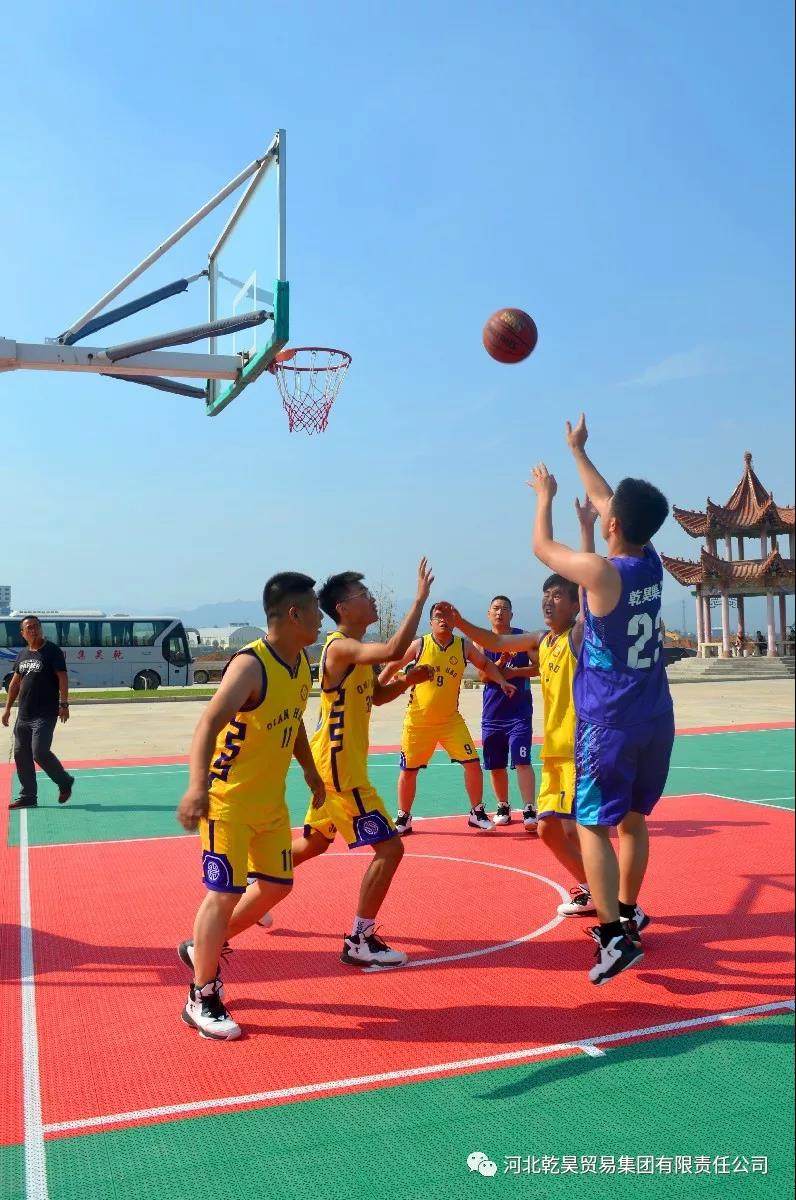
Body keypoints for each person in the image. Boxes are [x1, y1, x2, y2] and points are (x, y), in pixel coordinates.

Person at [529, 414, 674, 985]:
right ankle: (629, 910)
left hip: (609, 720)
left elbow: (543, 547)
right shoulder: (651, 562)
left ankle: (613, 934)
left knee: (591, 823)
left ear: (612, 523)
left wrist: (544, 496)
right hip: (654, 714)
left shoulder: (600, 573)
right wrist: (578, 451)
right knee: (633, 821)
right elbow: (607, 499)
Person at [175, 572, 325, 1040]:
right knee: (224, 894)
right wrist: (196, 787)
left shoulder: (301, 664)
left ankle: (203, 946)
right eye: (315, 609)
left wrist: (309, 770)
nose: (321, 617)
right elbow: (208, 723)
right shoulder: (250, 665)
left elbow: (293, 721)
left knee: (278, 885)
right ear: (294, 613)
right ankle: (201, 994)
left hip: (270, 803)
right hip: (229, 802)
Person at [437, 497, 600, 919]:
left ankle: (615, 903)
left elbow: (590, 588)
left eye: (557, 597)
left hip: (581, 750)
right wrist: (460, 623)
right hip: (556, 751)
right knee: (552, 829)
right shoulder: (542, 641)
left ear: (574, 605)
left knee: (575, 829)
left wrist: (586, 530)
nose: (548, 602)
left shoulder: (579, 636)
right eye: (544, 596)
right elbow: (494, 642)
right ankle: (594, 890)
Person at [291, 559, 435, 967]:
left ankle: (254, 872)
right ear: (343, 608)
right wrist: (419, 601)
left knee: (315, 843)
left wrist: (406, 680)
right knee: (390, 849)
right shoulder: (340, 647)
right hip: (341, 771)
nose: (372, 599)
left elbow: (376, 695)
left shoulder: (358, 652)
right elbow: (393, 650)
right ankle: (360, 938)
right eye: (364, 595)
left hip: (332, 763)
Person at [381, 603, 516, 835]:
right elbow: (395, 663)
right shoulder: (420, 644)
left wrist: (502, 681)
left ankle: (477, 813)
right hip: (419, 720)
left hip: (450, 720)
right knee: (409, 770)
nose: (443, 620)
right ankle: (404, 817)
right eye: (438, 617)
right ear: (431, 622)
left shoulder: (463, 646)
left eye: (447, 617)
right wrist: (378, 684)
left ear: (454, 621)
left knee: (473, 764)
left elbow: (485, 664)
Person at [475, 595, 538, 831]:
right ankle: (503, 806)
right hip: (493, 714)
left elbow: (539, 668)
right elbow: (483, 676)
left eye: (504, 609)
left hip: (519, 712)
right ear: (488, 614)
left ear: (512, 614)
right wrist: (501, 662)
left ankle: (529, 808)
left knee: (522, 760)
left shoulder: (523, 638)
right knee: (496, 764)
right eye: (495, 608)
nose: (499, 612)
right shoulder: (482, 642)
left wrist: (515, 672)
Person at [2, 615, 74, 810]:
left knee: (40, 752)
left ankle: (64, 781)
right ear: (22, 633)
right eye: (29, 628)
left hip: (45, 714)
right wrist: (7, 709)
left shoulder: (52, 651)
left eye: (36, 627)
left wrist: (64, 704)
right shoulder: (23, 654)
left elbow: (62, 677)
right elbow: (15, 683)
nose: (33, 630)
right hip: (24, 715)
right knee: (21, 755)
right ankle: (28, 796)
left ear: (41, 629)